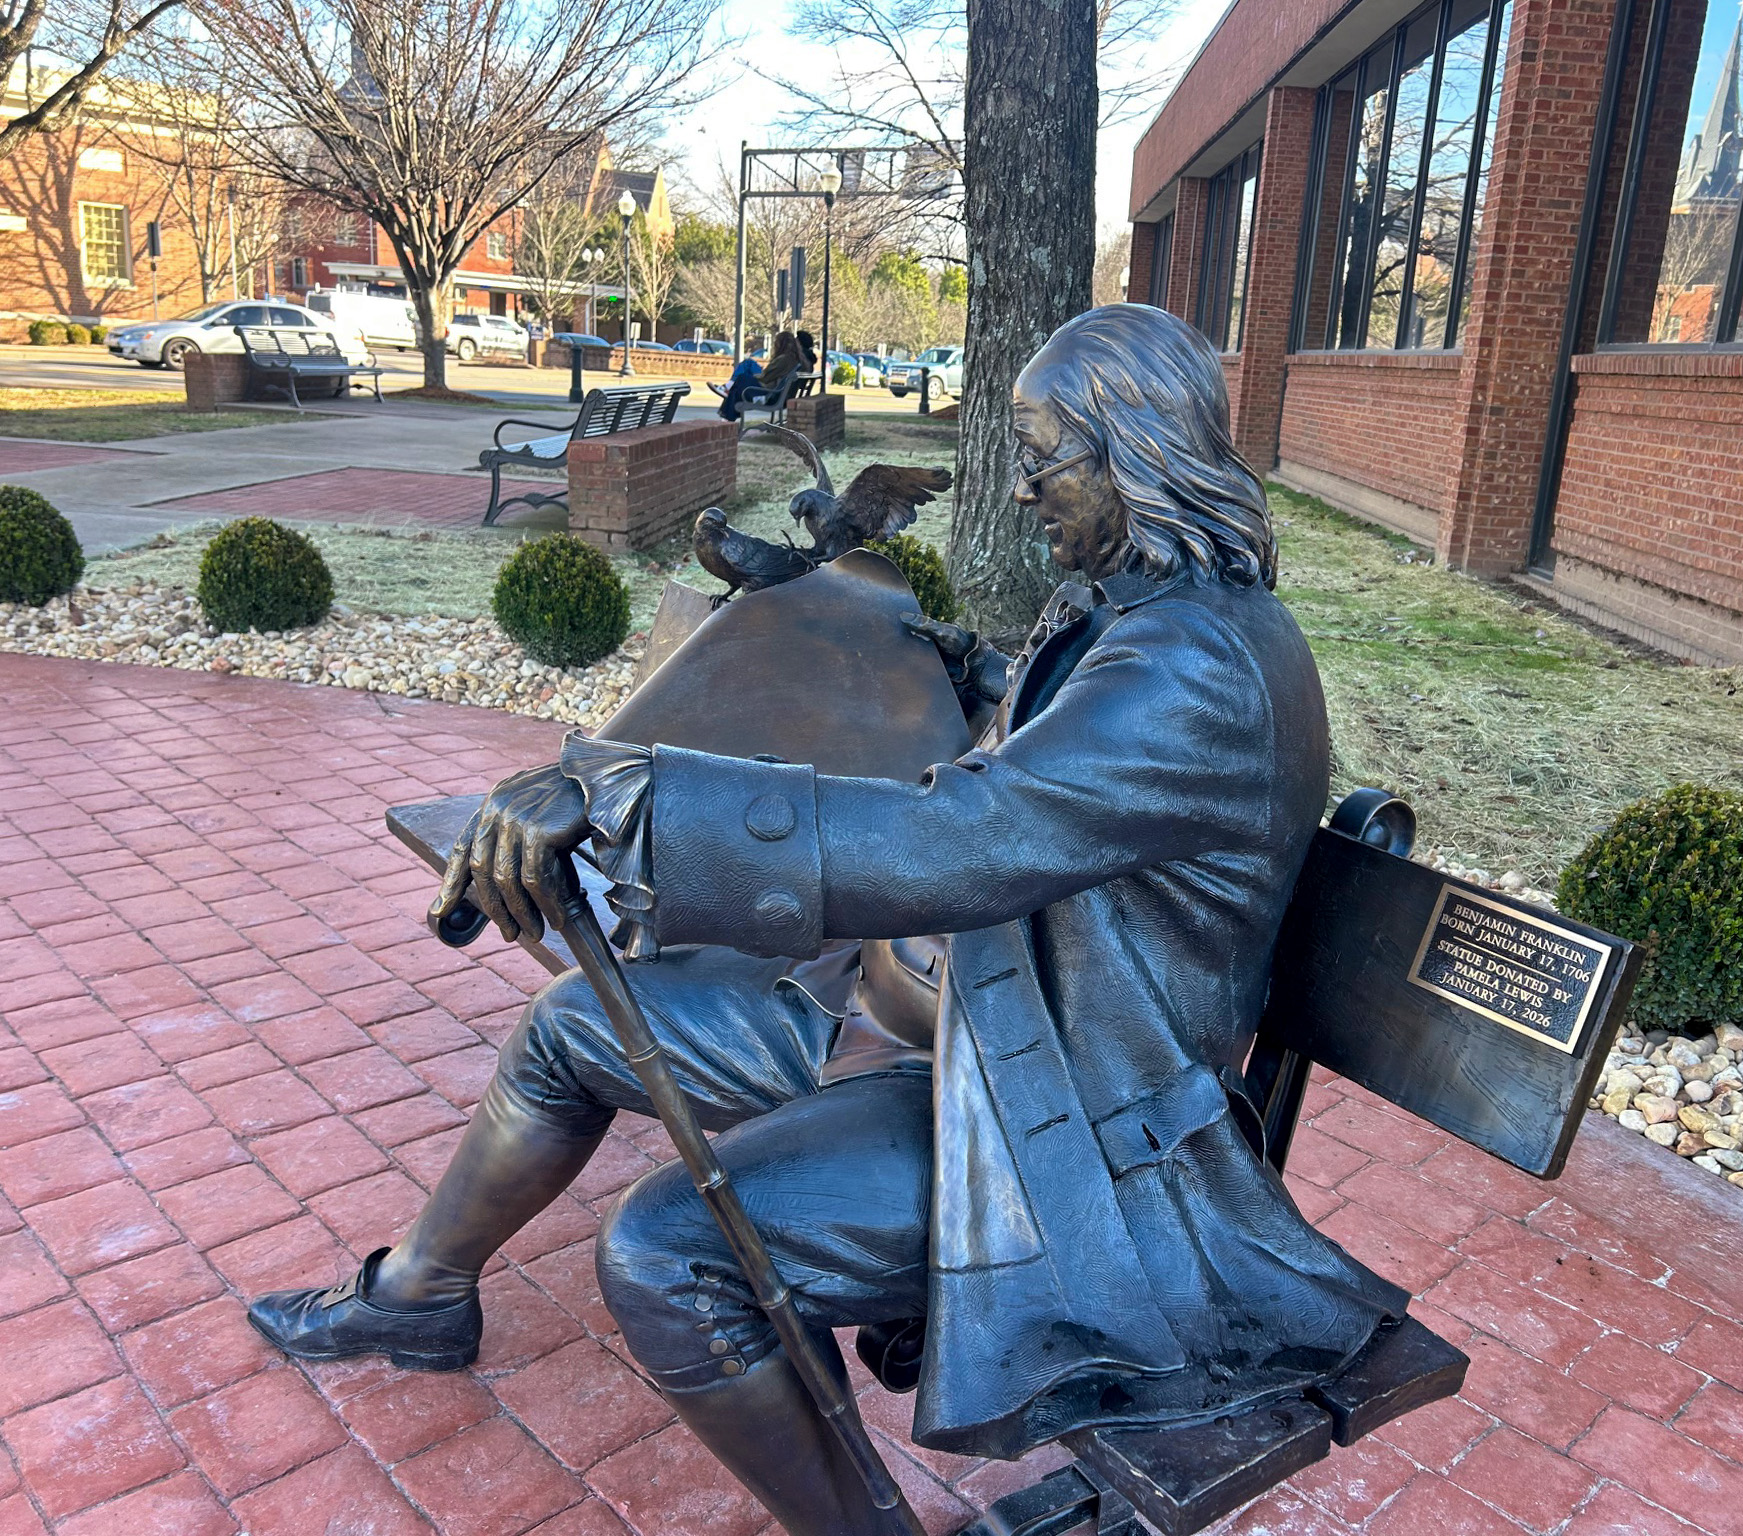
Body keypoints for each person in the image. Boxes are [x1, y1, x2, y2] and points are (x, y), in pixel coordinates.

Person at [247, 304, 1398, 1535]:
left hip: (1068, 1125)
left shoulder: (1196, 667)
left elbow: (965, 837)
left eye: (1041, 454)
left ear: (1136, 449)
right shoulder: (1142, 614)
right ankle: (420, 1294)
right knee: (576, 1025)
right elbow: (1046, 749)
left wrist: (627, 794)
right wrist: (960, 660)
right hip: (956, 1022)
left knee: (669, 1255)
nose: (1019, 491)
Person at [715, 329, 802, 420]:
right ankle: (728, 394)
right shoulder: (793, 359)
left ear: (781, 344)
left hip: (769, 394)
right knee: (741, 380)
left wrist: (754, 376)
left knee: (742, 376)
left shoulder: (783, 359)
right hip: (776, 392)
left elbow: (766, 378)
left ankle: (728, 391)